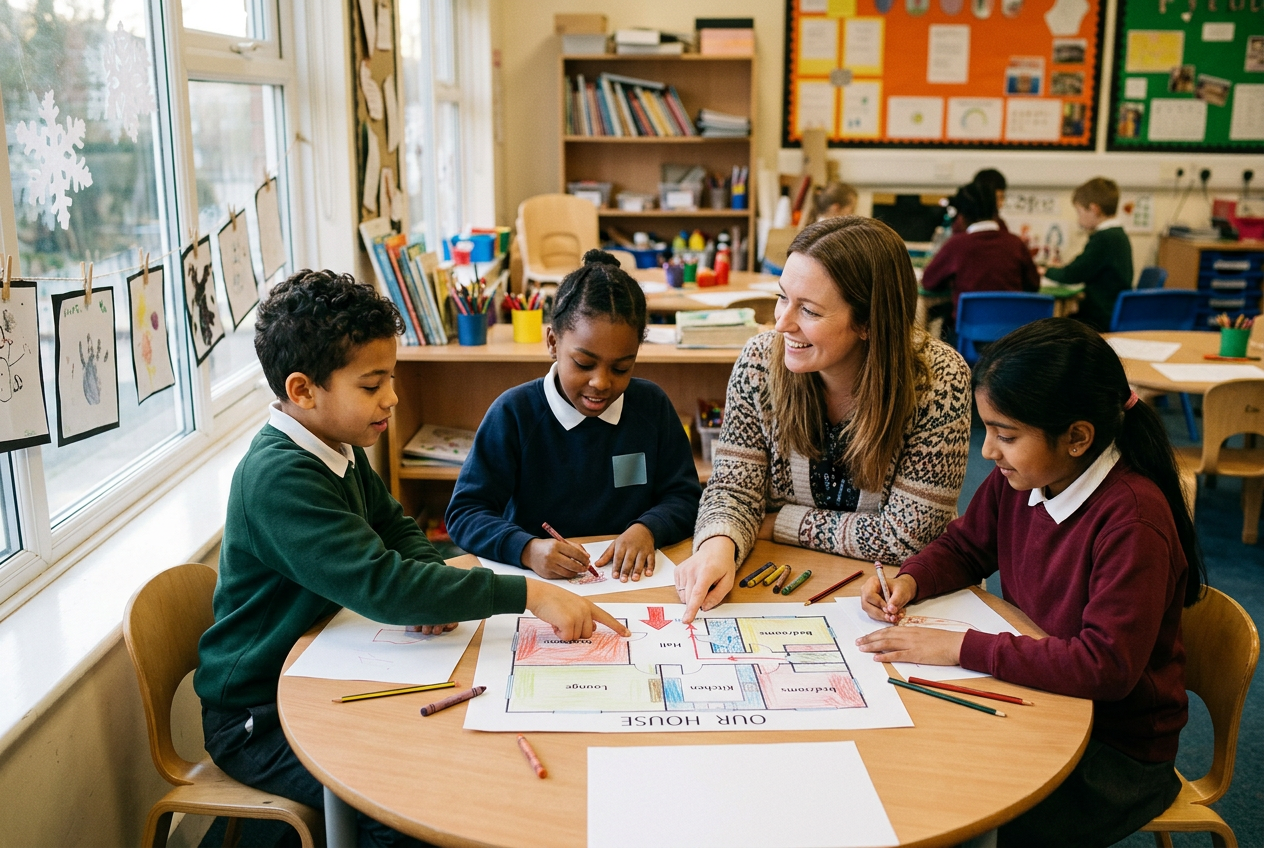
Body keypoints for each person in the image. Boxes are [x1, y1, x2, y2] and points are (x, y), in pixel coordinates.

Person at [195, 270, 627, 848]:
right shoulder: (279, 478)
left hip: (323, 663)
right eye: (373, 385)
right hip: (258, 712)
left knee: (437, 759)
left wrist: (425, 583)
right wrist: (529, 594)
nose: (392, 398)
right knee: (396, 806)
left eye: (392, 379)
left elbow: (395, 526)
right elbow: (382, 587)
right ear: (303, 391)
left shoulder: (335, 444)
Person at [856, 318, 1204, 848]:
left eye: (1006, 435)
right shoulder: (1024, 477)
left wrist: (961, 648)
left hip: (1116, 753)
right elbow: (967, 546)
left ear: (1078, 438)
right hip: (1043, 695)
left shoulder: (1132, 521)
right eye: (987, 430)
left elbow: (1104, 666)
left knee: (956, 812)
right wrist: (911, 580)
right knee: (907, 767)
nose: (988, 453)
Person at [674, 217, 972, 623]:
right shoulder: (760, 362)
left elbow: (907, 539)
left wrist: (779, 521)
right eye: (783, 298)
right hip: (783, 580)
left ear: (868, 323)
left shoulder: (939, 380)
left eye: (809, 310)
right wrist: (719, 544)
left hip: (896, 597)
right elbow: (732, 489)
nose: (782, 324)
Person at [447, 250, 701, 583]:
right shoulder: (514, 414)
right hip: (540, 587)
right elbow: (465, 513)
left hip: (629, 584)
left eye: (622, 368)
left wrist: (648, 528)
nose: (601, 382)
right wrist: (527, 549)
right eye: (583, 364)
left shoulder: (651, 407)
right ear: (553, 342)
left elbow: (685, 496)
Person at [921, 182, 1040, 341]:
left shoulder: (957, 245)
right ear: (995, 211)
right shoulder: (1016, 243)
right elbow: (1034, 284)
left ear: (961, 216)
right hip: (1011, 342)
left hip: (967, 340)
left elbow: (928, 281)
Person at [1043, 177, 1133, 331]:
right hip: (1110, 309)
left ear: (1094, 209)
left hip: (1100, 315)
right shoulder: (1118, 234)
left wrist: (1046, 271)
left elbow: (1072, 275)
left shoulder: (1104, 238)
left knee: (1053, 327)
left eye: (1079, 212)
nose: (1079, 220)